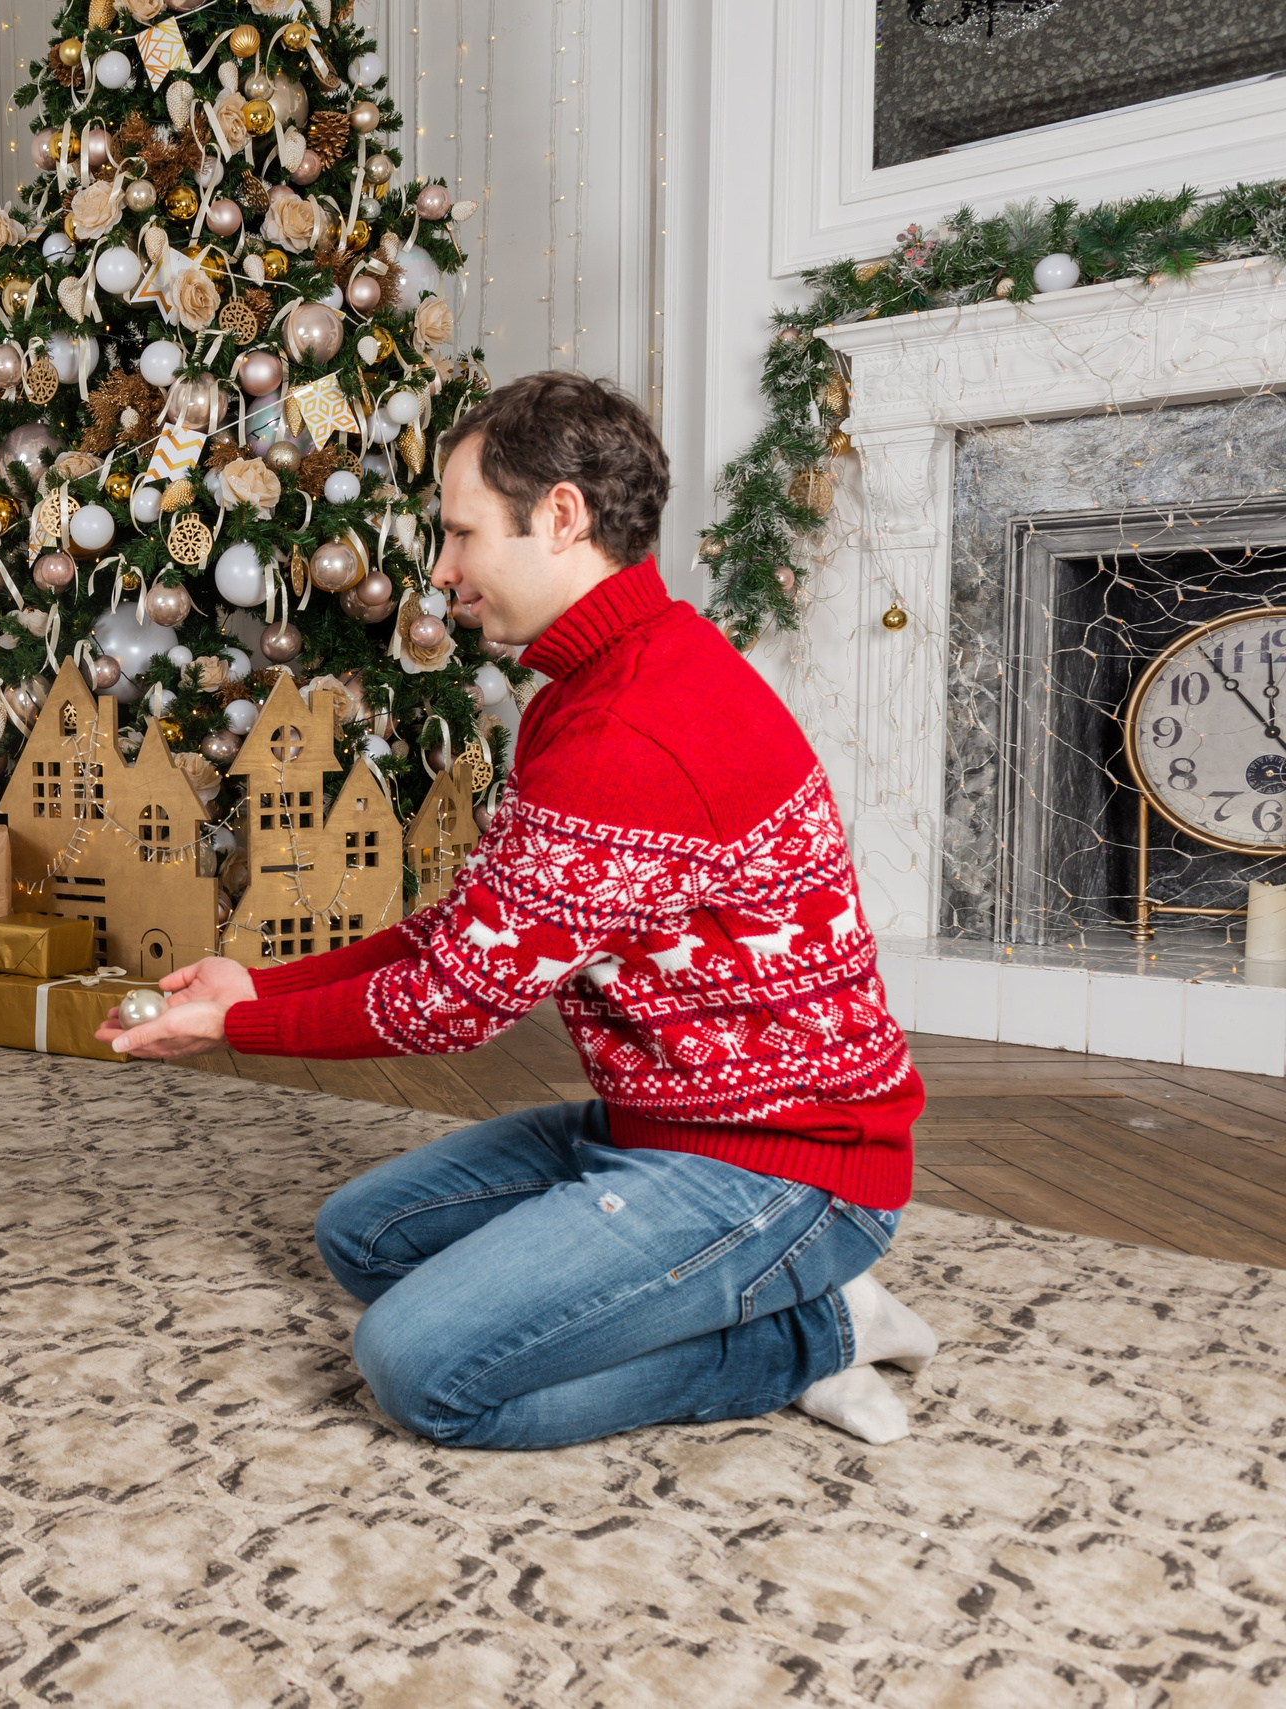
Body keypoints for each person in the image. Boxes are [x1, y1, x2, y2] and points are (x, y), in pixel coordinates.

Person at [104, 373, 942, 1449]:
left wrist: (239, 1025)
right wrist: (257, 984)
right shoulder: (595, 684)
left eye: (461, 533)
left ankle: (818, 1326)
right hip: (655, 1123)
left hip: (779, 1165)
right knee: (365, 1238)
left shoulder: (625, 729)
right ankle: (718, 1290)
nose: (443, 571)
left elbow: (452, 1000)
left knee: (423, 1369)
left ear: (560, 515)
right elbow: (466, 928)